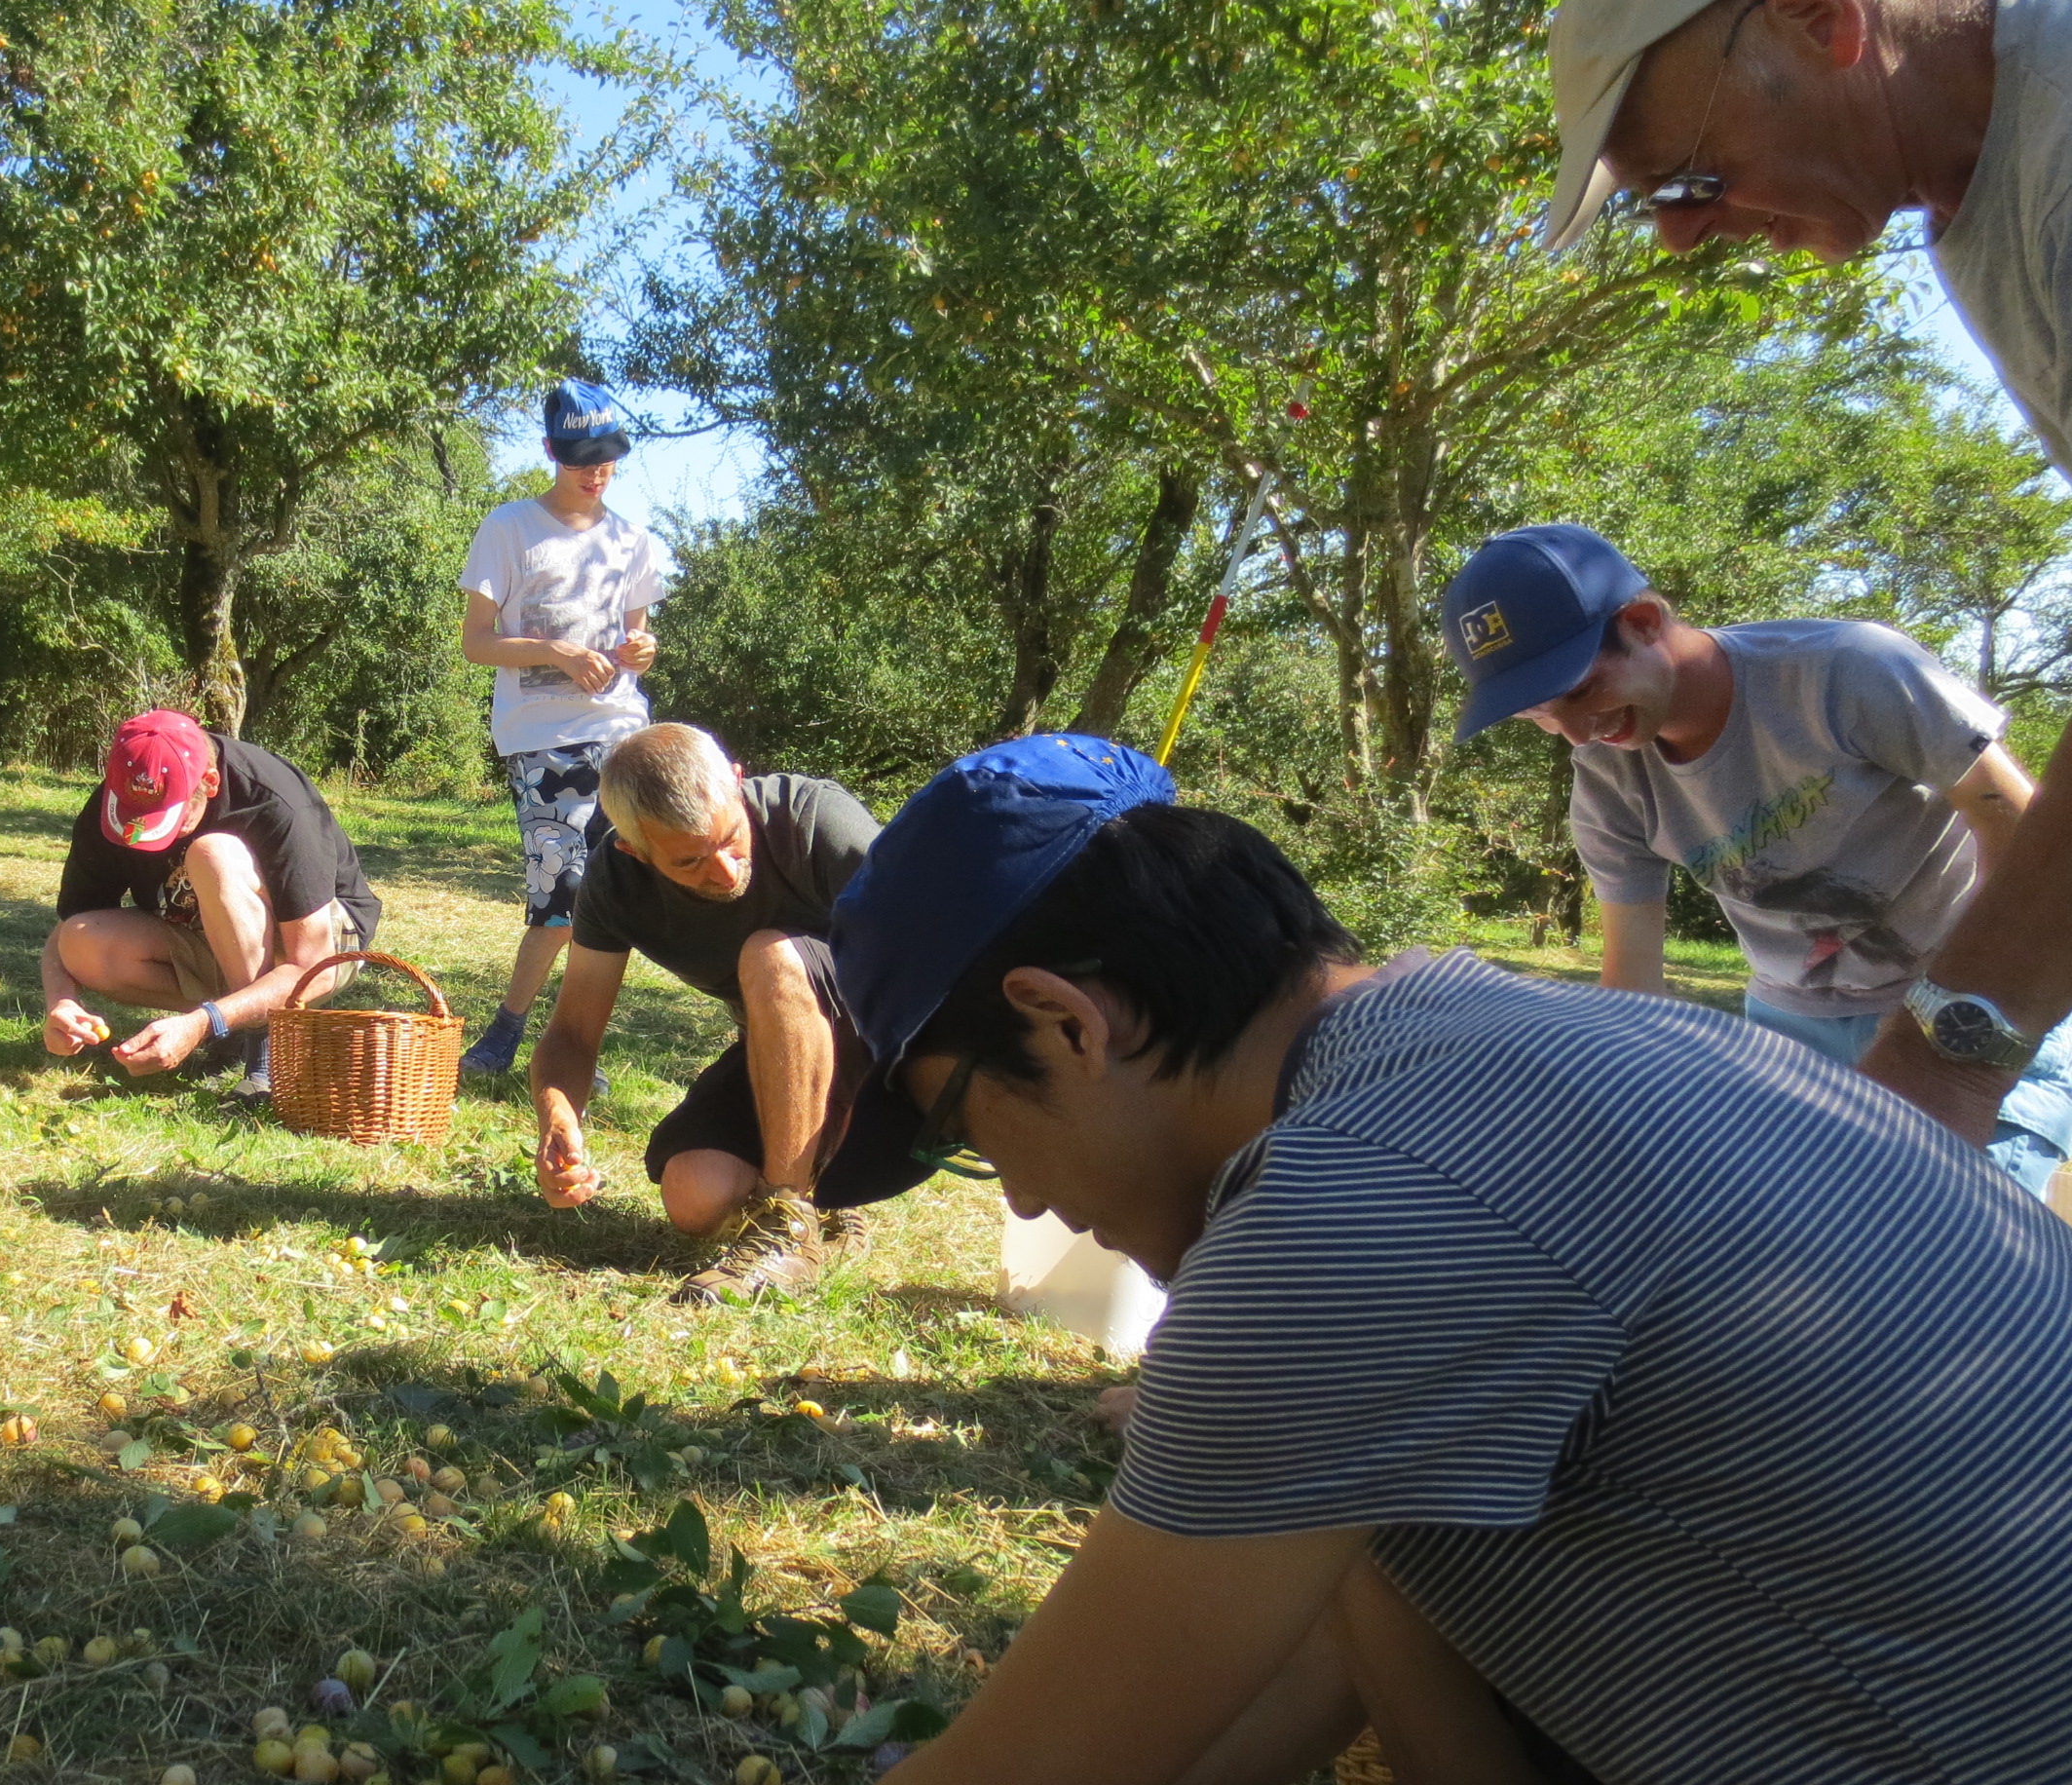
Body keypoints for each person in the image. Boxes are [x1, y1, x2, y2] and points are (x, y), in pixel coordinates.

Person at [814, 733, 2072, 1785]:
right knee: (1374, 1532)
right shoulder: (1548, 1032)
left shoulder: (1351, 1201)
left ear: (1067, 1021)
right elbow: (1269, 1674)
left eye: (959, 1124)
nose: (1023, 1191)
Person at [1544, 0, 2072, 1158]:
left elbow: (2008, 819)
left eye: (1686, 177)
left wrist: (1953, 1051)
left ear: (1814, 17)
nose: (1677, 241)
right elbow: (1634, 980)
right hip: (1809, 1018)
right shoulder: (1967, 223)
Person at [1437, 521, 2072, 1195]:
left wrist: (1956, 1015)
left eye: (1580, 689)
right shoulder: (1607, 778)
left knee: (1956, 1256)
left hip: (1969, 1006)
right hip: (1796, 1036)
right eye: (1538, 714)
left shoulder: (1846, 670)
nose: (1576, 731)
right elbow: (1633, 980)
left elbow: (2025, 836)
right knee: (1814, 1273)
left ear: (1644, 621)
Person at [530, 724, 881, 1305]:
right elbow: (571, 1031)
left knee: (770, 954)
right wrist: (558, 1119)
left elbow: (935, 949)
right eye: (689, 860)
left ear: (737, 784)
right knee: (694, 1195)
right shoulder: (616, 884)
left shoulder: (815, 818)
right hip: (782, 1055)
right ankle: (830, 1201)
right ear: (634, 850)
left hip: (885, 1047)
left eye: (731, 839)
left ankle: (787, 1224)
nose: (723, 872)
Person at [454, 379, 674, 1079]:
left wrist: (643, 651)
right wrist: (552, 650)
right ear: (551, 451)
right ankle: (506, 1030)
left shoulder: (634, 541)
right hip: (541, 739)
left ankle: (573, 1041)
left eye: (608, 457)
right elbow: (477, 643)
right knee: (560, 896)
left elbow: (639, 641)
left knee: (610, 896)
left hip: (620, 731)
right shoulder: (509, 528)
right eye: (582, 456)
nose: (597, 470)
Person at [41, 709, 382, 1098]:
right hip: (211, 938)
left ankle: (265, 1053)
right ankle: (239, 1021)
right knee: (83, 940)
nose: (149, 835)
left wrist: (205, 1022)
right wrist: (61, 1002)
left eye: (168, 818)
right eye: (136, 818)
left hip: (324, 946)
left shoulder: (274, 800)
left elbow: (313, 967)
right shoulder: (116, 805)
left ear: (210, 782)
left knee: (212, 854)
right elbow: (71, 924)